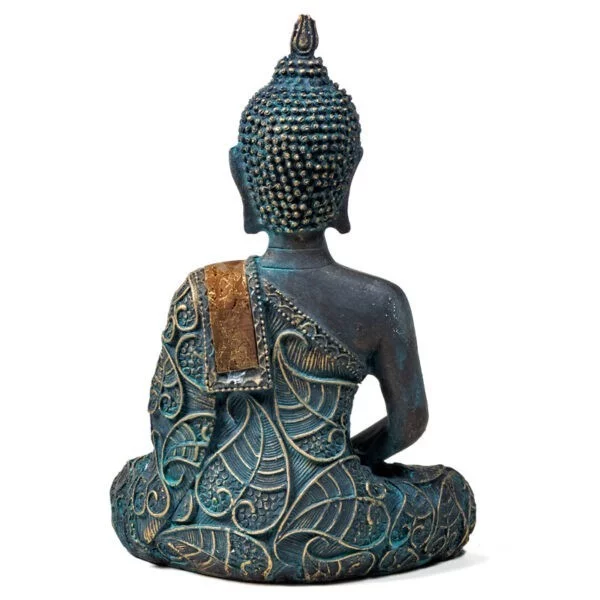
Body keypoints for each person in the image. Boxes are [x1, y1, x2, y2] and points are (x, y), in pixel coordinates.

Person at [111, 15, 475, 583]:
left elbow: (172, 439)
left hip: (216, 526)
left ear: (242, 176)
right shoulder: (380, 303)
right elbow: (410, 422)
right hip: (336, 519)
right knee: (451, 496)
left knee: (130, 486)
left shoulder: (211, 291)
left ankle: (212, 538)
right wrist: (346, 461)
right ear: (348, 177)